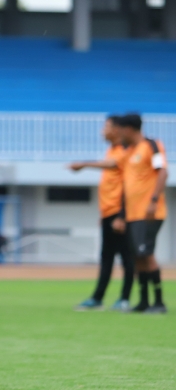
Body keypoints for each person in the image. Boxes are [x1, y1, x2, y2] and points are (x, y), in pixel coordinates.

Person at [69, 117, 136, 311]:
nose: (102, 131)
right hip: (108, 213)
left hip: (119, 212)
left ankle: (124, 299)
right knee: (106, 256)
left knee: (126, 257)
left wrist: (122, 215)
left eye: (106, 127)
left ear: (118, 129)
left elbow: (122, 179)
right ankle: (98, 298)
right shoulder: (112, 150)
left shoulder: (125, 150)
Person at [119, 113, 168, 314]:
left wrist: (153, 200)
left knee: (146, 254)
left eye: (121, 129)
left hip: (148, 212)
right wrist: (122, 215)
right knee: (137, 257)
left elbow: (163, 172)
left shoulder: (152, 145)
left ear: (129, 129)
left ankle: (159, 302)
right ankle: (144, 301)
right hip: (132, 214)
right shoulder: (130, 151)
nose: (119, 133)